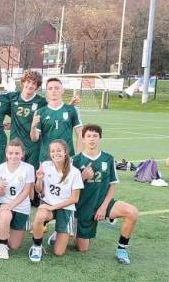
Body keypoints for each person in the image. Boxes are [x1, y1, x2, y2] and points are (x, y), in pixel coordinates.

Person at [72, 124, 138, 264]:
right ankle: (67, 230)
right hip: (83, 209)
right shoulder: (75, 160)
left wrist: (103, 207)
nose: (92, 139)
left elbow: (112, 185)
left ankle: (122, 249)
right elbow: (69, 188)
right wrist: (82, 177)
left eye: (95, 136)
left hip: (104, 203)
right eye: (88, 136)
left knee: (132, 212)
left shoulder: (108, 159)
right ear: (83, 139)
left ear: (100, 139)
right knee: (82, 249)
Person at [29, 139, 83, 262]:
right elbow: (39, 191)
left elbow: (74, 199)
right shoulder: (46, 166)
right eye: (52, 151)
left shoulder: (74, 172)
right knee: (40, 215)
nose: (55, 153)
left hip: (65, 208)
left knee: (58, 252)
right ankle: (37, 246)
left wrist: (53, 207)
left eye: (59, 150)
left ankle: (58, 233)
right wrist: (39, 179)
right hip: (48, 204)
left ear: (65, 152)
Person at [0, 139, 35, 260]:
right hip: (4, 204)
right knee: (6, 215)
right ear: (6, 154)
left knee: (14, 245)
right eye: (10, 153)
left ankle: (1, 228)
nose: (13, 156)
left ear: (22, 154)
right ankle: (2, 247)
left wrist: (11, 205)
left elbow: (26, 192)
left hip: (21, 206)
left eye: (17, 153)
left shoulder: (28, 168)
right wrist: (0, 188)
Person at [30, 78, 83, 162]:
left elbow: (80, 134)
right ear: (46, 92)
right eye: (50, 88)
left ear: (62, 90)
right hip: (46, 159)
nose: (53, 91)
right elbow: (34, 138)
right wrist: (33, 126)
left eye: (57, 88)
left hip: (67, 157)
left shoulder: (72, 110)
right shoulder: (40, 112)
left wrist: (79, 156)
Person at [7, 71, 47, 170]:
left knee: (31, 175)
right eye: (28, 82)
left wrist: (70, 104)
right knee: (14, 174)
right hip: (15, 145)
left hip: (33, 146)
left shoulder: (41, 102)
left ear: (37, 87)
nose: (30, 85)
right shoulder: (12, 97)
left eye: (34, 83)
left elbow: (54, 108)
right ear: (23, 82)